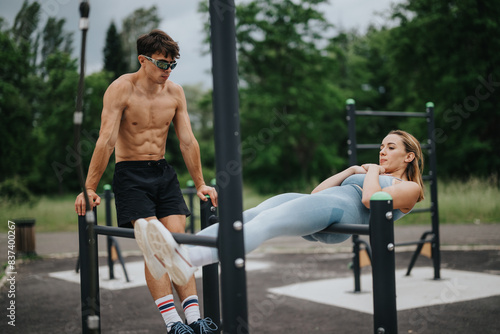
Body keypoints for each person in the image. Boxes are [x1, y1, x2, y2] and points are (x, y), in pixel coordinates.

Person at [74, 29, 218, 334]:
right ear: (143, 60)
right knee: (156, 247)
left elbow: (188, 141)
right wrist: (89, 187)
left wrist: (201, 182)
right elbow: (106, 140)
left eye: (172, 65)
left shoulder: (175, 93)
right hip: (131, 175)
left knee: (178, 245)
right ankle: (173, 323)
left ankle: (194, 319)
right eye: (162, 64)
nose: (167, 71)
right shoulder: (121, 89)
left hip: (163, 173)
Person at [137, 130, 425, 276]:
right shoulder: (368, 174)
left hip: (340, 214)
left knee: (267, 223)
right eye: (381, 147)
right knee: (250, 215)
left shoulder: (409, 188)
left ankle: (188, 260)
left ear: (409, 156)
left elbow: (368, 199)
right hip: (323, 205)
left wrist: (372, 171)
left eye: (390, 147)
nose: (382, 152)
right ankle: (177, 252)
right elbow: (316, 193)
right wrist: (351, 171)